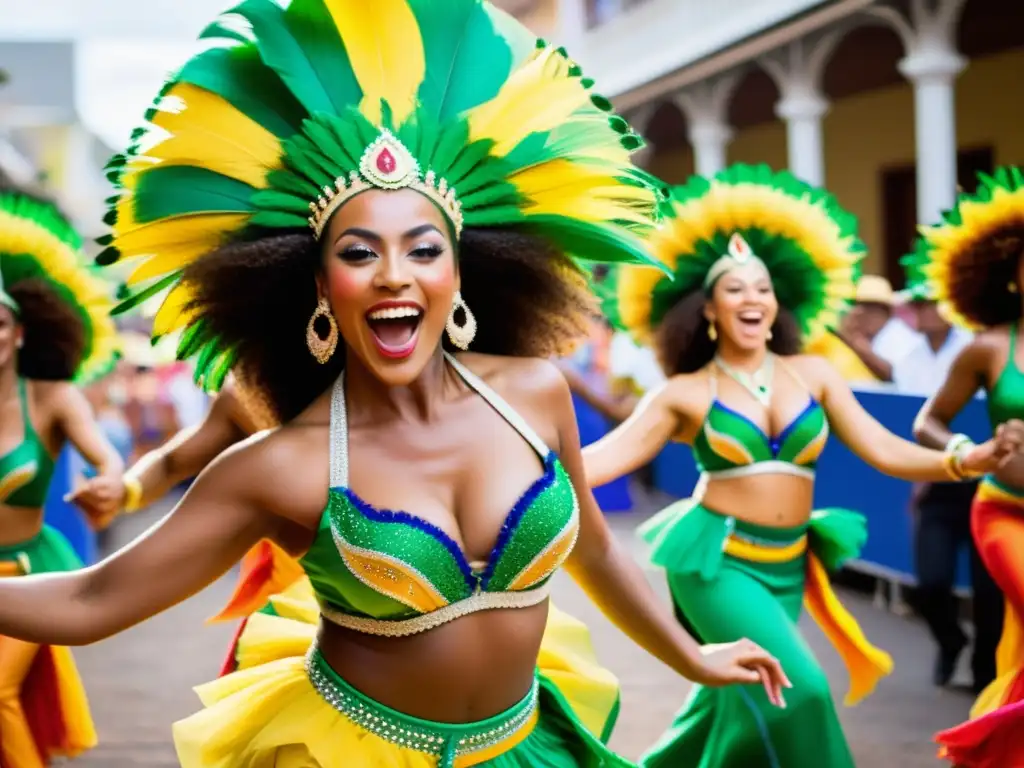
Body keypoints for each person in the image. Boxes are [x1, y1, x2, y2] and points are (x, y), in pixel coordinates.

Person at [0, 3, 790, 767]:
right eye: (357, 254)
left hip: (527, 748)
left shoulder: (534, 393)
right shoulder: (282, 464)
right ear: (315, 285)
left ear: (459, 273)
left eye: (421, 250)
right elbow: (89, 602)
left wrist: (692, 654)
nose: (392, 277)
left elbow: (591, 542)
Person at [584, 164, 1024, 768]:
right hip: (718, 565)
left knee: (730, 706)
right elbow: (602, 461)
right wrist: (520, 465)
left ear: (778, 302)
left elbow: (884, 449)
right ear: (709, 309)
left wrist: (965, 457)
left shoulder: (813, 375)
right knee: (800, 693)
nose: (752, 299)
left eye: (762, 288)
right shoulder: (684, 392)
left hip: (789, 561)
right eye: (735, 289)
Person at [903, 166, 1024, 766]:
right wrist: (967, 454)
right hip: (1003, 508)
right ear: (1012, 272)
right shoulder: (989, 346)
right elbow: (926, 421)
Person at [0, 189, 122, 767]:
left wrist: (111, 481)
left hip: (27, 575)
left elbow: (106, 458)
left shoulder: (51, 398)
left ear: (21, 332)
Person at [891, 282, 1001, 693]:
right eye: (916, 303)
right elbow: (918, 421)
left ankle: (985, 675)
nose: (921, 310)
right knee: (931, 582)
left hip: (990, 491)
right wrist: (940, 462)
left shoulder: (981, 343)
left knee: (990, 596)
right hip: (937, 482)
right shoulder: (908, 357)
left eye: (929, 302)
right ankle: (950, 639)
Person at [836, 274, 917, 382]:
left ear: (887, 311)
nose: (861, 313)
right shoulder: (862, 335)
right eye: (857, 305)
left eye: (870, 307)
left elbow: (893, 375)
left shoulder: (898, 334)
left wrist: (857, 344)